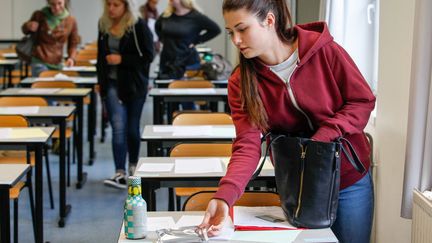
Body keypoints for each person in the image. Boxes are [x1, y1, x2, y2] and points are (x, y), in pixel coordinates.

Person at [198, 1, 376, 243]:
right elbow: (247, 145)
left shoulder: (325, 52)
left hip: (348, 179)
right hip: (298, 184)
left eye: (242, 29)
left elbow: (362, 100)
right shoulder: (241, 82)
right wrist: (224, 197)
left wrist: (322, 137)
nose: (236, 40)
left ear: (269, 21)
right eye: (231, 32)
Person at [97, 0, 154, 189]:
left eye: (116, 5)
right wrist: (101, 82)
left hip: (134, 84)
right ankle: (119, 172)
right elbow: (100, 57)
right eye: (109, 5)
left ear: (126, 6)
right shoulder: (103, 24)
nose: (111, 9)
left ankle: (133, 166)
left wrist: (122, 59)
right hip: (112, 84)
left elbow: (148, 56)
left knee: (131, 127)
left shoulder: (137, 25)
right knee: (118, 127)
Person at [155, 0, 221, 79]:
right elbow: (158, 27)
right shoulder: (166, 15)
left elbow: (216, 30)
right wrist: (163, 40)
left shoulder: (196, 17)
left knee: (184, 89)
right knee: (164, 88)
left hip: (187, 62)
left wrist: (197, 40)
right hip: (167, 60)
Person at [22, 0, 80, 77]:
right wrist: (28, 26)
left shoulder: (71, 20)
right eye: (53, 4)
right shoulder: (39, 15)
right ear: (48, 3)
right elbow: (25, 31)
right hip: (40, 59)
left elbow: (73, 43)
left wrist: (71, 58)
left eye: (59, 3)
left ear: (65, 2)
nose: (56, 7)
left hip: (58, 62)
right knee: (43, 86)